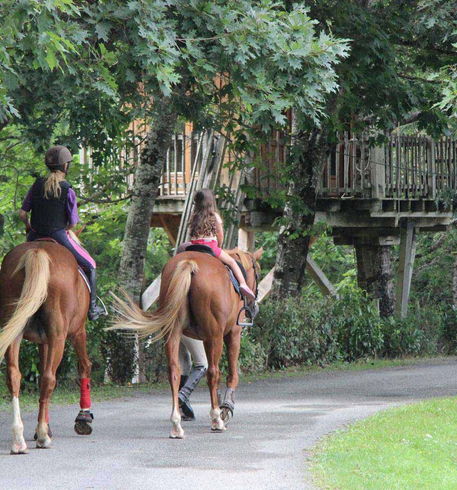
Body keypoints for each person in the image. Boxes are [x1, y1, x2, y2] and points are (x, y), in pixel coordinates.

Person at [18, 145, 105, 321]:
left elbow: (22, 213)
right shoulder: (68, 190)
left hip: (35, 234)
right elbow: (73, 223)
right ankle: (93, 309)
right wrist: (65, 228)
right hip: (58, 235)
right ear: (65, 166)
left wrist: (29, 226)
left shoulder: (36, 186)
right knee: (90, 265)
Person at [188, 189, 256, 300]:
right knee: (232, 262)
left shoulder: (194, 216)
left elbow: (191, 233)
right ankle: (243, 284)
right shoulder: (214, 216)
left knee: (181, 249)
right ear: (211, 202)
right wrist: (219, 246)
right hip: (210, 247)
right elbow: (220, 235)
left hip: (194, 246)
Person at [178, 336, 208, 421]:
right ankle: (182, 395)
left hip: (172, 330)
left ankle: (184, 409)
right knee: (202, 364)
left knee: (184, 364)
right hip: (188, 330)